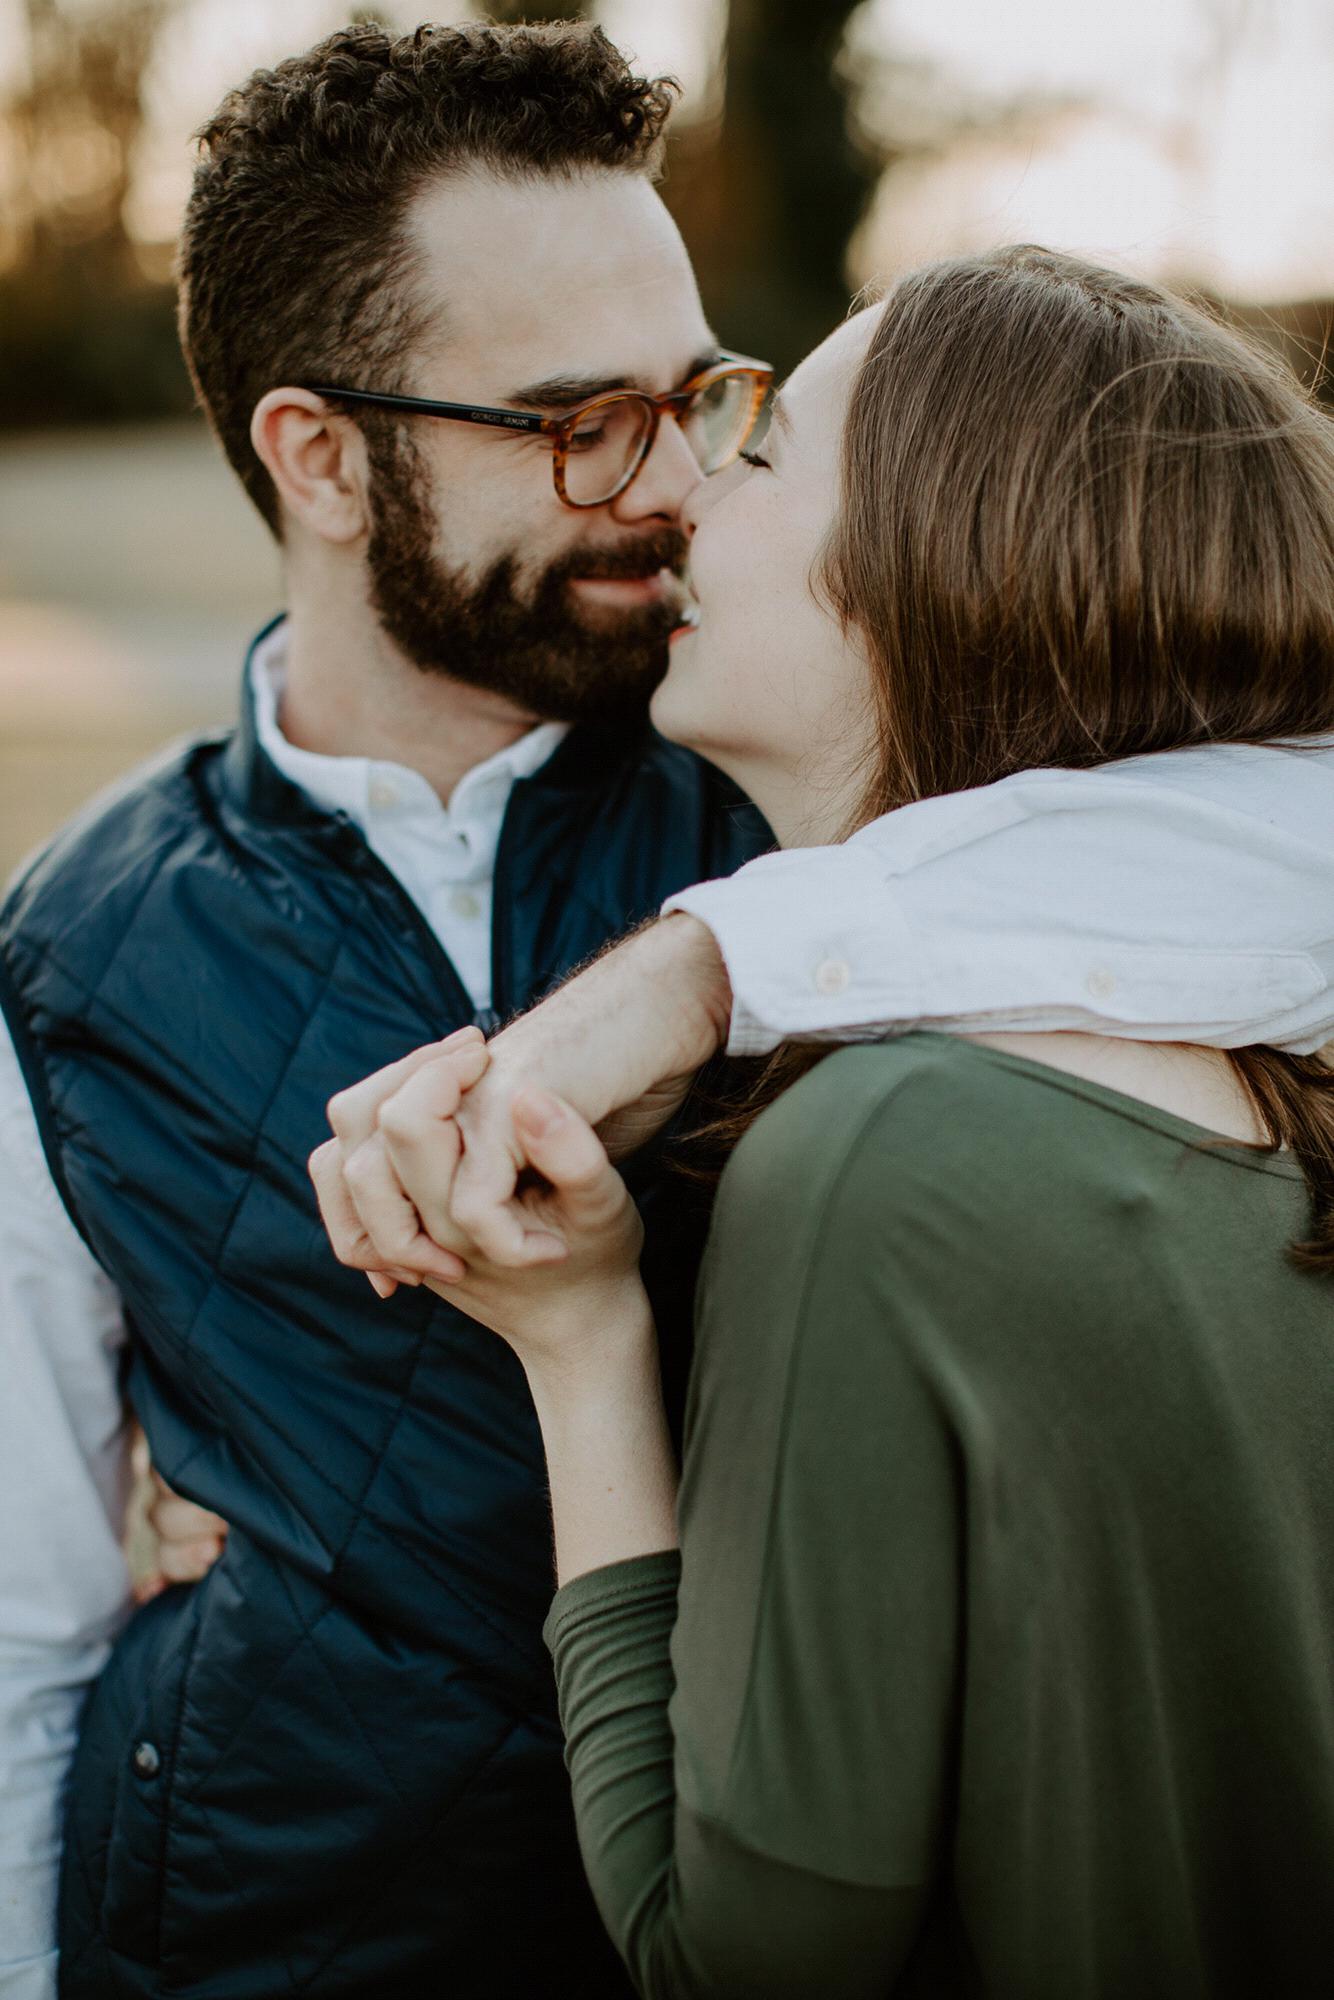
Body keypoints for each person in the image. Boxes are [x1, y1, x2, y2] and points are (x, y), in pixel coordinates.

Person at [0, 18, 1331, 1995]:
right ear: (319, 456)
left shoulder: (810, 773)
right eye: (577, 420)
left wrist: (707, 965)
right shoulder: (71, 944)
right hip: (263, 1937)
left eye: (700, 399)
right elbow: (24, 1633)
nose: (678, 483)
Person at [316, 249, 1334, 1998]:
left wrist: (576, 1340)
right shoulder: (1281, 1075)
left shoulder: (888, 1155)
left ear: (944, 566)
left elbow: (741, 1951)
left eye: (765, 451)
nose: (683, 499)